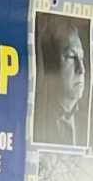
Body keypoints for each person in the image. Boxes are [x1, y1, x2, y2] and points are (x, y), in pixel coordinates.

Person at [32, 15, 89, 148]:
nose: (81, 69)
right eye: (71, 56)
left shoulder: (91, 119)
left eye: (81, 58)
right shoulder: (33, 116)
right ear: (50, 65)